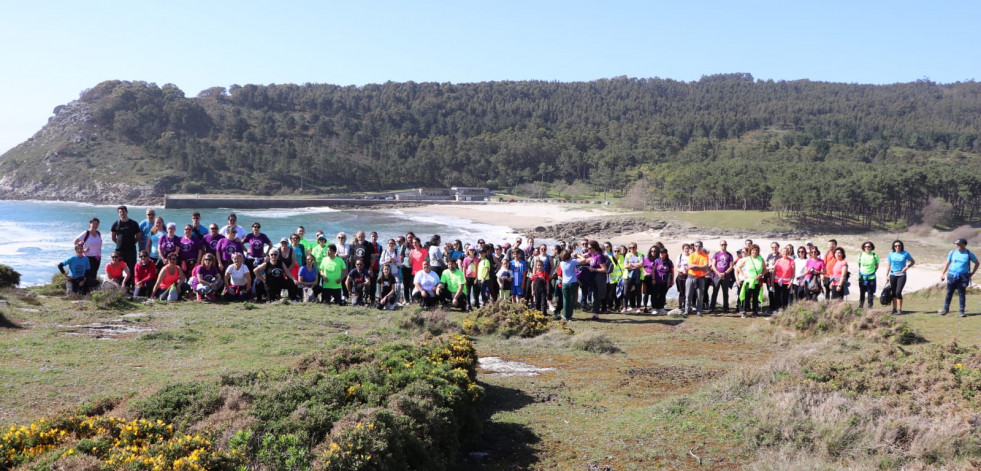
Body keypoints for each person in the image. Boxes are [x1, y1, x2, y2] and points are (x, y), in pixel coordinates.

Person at [939, 238, 979, 317]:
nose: (957, 246)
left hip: (963, 276)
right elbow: (947, 263)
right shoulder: (952, 252)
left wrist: (972, 273)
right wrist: (942, 273)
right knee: (949, 292)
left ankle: (961, 311)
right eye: (957, 244)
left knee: (961, 293)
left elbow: (977, 263)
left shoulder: (968, 253)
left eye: (959, 244)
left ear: (964, 245)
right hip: (951, 275)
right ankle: (946, 309)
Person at [110, 205, 141, 288]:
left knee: (132, 268)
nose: (122, 213)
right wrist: (119, 243)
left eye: (123, 211)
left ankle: (132, 285)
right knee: (119, 268)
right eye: (120, 212)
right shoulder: (115, 224)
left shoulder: (133, 223)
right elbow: (113, 237)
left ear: (126, 212)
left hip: (131, 250)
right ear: (118, 214)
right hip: (119, 251)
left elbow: (138, 236)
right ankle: (120, 285)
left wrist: (131, 243)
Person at [886, 240, 915, 314]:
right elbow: (889, 265)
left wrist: (907, 267)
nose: (897, 247)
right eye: (896, 246)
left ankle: (899, 310)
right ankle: (894, 309)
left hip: (902, 275)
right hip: (892, 274)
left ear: (901, 246)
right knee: (893, 293)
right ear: (893, 247)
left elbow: (913, 261)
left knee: (898, 292)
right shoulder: (891, 254)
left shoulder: (905, 253)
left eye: (899, 245)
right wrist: (886, 275)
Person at [736, 244, 765, 317]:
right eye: (753, 250)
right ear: (750, 251)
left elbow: (765, 269)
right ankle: (744, 311)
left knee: (755, 297)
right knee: (747, 296)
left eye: (756, 250)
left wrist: (761, 275)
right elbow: (738, 267)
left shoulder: (761, 259)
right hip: (749, 281)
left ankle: (755, 312)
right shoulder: (747, 259)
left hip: (757, 281)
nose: (754, 252)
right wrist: (743, 275)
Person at [74, 218, 103, 291]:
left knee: (94, 274)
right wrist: (82, 250)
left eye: (97, 224)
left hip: (97, 257)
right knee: (87, 275)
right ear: (90, 224)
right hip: (88, 257)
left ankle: (92, 290)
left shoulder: (98, 233)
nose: (95, 225)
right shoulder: (86, 233)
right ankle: (84, 291)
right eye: (93, 223)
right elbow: (75, 241)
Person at [685, 241, 711, 316]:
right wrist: (700, 267)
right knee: (688, 294)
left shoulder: (705, 256)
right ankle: (687, 310)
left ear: (702, 247)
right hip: (691, 277)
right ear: (694, 247)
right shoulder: (692, 255)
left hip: (701, 278)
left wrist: (695, 266)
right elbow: (690, 266)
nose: (698, 247)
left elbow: (705, 268)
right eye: (696, 246)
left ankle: (699, 310)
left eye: (699, 246)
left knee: (700, 295)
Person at [710, 240, 735, 313]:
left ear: (726, 245)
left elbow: (731, 266)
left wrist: (724, 273)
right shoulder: (716, 254)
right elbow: (713, 266)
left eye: (724, 244)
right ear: (720, 245)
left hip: (726, 276)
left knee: (725, 292)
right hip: (717, 276)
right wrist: (718, 273)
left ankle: (726, 308)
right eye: (722, 245)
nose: (723, 246)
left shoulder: (729, 255)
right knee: (715, 292)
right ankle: (712, 307)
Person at [856, 241, 880, 309]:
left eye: (869, 246)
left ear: (871, 247)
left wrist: (872, 272)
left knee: (870, 293)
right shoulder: (860, 255)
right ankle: (861, 306)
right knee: (862, 292)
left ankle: (870, 307)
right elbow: (859, 265)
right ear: (863, 247)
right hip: (862, 277)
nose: (867, 248)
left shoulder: (874, 255)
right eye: (865, 246)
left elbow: (877, 266)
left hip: (871, 277)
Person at [772, 246, 796, 313]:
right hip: (777, 281)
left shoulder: (791, 261)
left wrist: (791, 282)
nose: (785, 253)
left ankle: (784, 310)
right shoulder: (778, 260)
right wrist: (772, 282)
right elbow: (774, 272)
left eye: (786, 251)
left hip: (786, 282)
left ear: (788, 252)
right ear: (781, 253)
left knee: (784, 297)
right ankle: (777, 310)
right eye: (783, 251)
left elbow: (793, 273)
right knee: (777, 296)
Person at [650, 248, 674, 314]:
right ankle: (654, 308)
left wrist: (672, 280)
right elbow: (653, 270)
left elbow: (672, 271)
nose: (661, 254)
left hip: (665, 281)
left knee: (662, 294)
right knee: (655, 294)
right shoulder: (657, 261)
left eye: (663, 253)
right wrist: (653, 279)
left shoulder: (669, 262)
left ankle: (661, 308)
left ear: (666, 253)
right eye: (660, 253)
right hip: (657, 280)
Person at [559, 250, 579, 321]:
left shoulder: (561, 263)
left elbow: (566, 259)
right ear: (569, 256)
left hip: (564, 283)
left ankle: (565, 315)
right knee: (571, 300)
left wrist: (571, 257)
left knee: (565, 300)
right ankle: (569, 316)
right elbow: (583, 260)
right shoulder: (573, 262)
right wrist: (577, 255)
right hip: (572, 283)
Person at [623, 243, 643, 312]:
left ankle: (638, 308)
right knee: (626, 292)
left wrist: (631, 264)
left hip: (638, 276)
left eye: (633, 247)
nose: (632, 249)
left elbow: (641, 264)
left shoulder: (640, 255)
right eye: (630, 247)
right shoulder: (627, 255)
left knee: (638, 292)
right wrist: (635, 266)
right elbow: (625, 265)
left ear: (636, 247)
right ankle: (624, 307)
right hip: (628, 276)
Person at [675, 244, 691, 309]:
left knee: (688, 292)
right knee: (681, 292)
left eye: (688, 248)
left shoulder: (691, 256)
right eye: (685, 248)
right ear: (683, 249)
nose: (686, 250)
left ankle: (686, 306)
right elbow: (677, 267)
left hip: (689, 276)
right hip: (681, 276)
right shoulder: (680, 256)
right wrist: (682, 270)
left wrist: (688, 270)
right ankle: (680, 306)